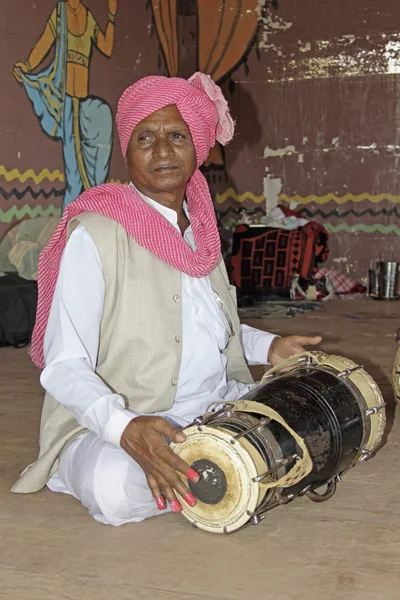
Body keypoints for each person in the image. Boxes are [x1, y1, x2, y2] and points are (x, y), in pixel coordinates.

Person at [12, 73, 322, 525]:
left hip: (213, 409)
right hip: (125, 420)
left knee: (311, 418)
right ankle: (229, 474)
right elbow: (64, 365)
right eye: (146, 137)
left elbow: (201, 324)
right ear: (127, 150)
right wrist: (125, 429)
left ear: (196, 147)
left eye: (176, 136)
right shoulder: (96, 235)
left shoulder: (202, 235)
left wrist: (268, 347)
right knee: (113, 486)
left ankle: (218, 472)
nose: (162, 151)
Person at [13, 0, 117, 211]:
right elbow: (45, 42)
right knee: (74, 178)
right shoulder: (60, 13)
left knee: (102, 120)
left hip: (84, 105)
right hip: (69, 104)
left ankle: (92, 220)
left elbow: (106, 48)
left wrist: (112, 17)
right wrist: (28, 66)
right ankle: (65, 232)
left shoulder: (87, 16)